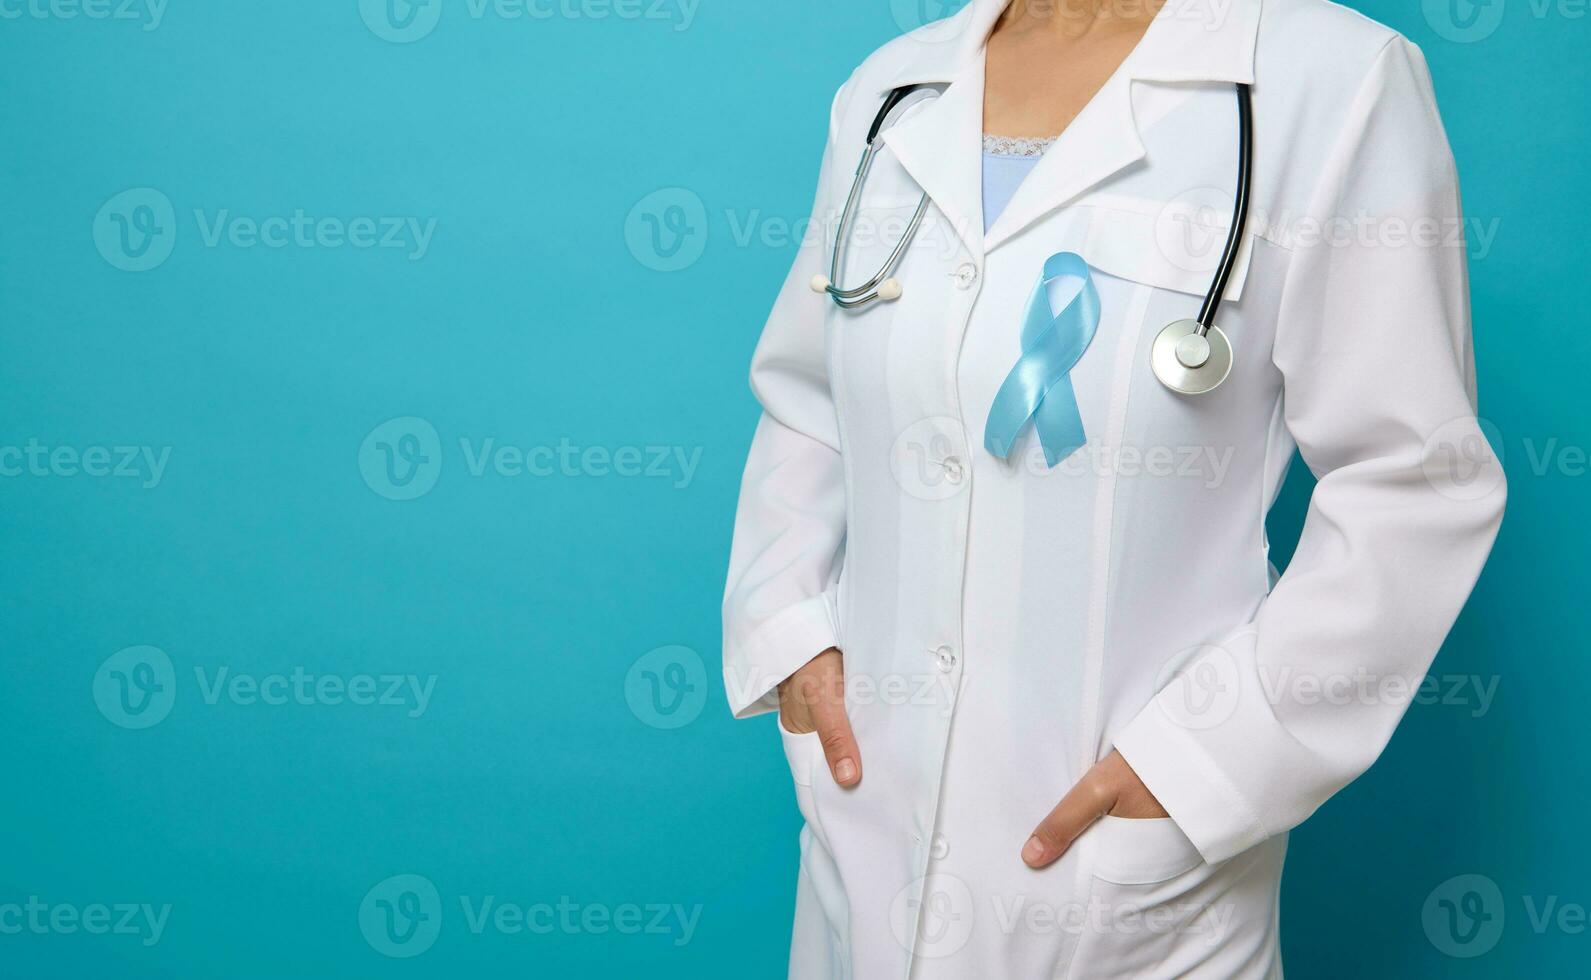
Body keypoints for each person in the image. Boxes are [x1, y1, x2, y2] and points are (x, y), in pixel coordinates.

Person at [721, 0, 1506, 976]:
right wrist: (792, 632)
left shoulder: (1327, 79)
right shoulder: (891, 92)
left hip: (1130, 897)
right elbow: (808, 399)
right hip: (863, 838)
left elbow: (1414, 475)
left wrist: (1208, 761)